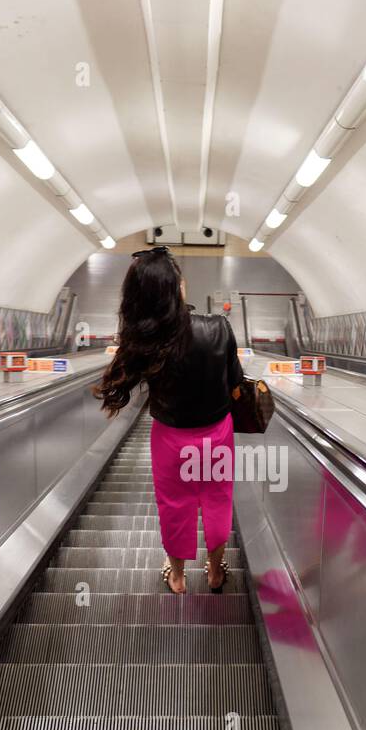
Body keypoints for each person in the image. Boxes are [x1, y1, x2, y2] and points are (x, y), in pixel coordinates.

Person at [94, 246, 244, 595]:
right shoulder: (218, 328)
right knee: (218, 499)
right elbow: (236, 382)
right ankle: (215, 572)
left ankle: (177, 577)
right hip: (216, 435)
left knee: (176, 506)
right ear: (178, 288)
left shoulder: (143, 341)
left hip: (171, 439)